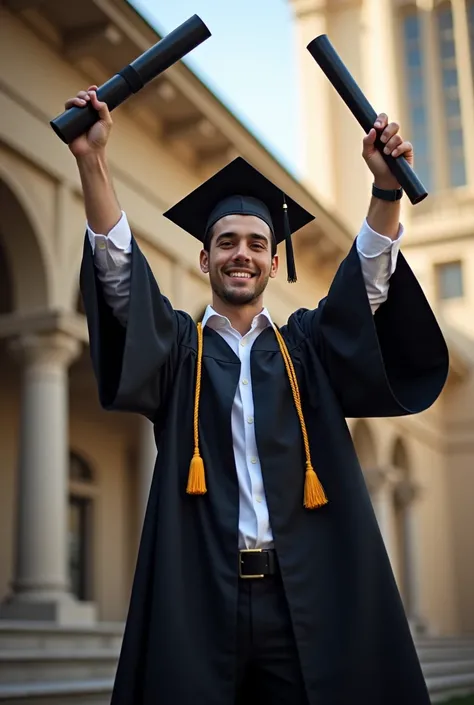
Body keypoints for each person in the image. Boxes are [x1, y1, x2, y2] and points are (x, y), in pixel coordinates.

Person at [70, 85, 449, 705]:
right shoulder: (182, 350)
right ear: (204, 259)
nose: (240, 254)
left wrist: (385, 190)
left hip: (304, 595)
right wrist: (93, 161)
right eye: (226, 243)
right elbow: (120, 282)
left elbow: (366, 288)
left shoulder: (307, 347)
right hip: (203, 592)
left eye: (255, 244)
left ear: (275, 263)